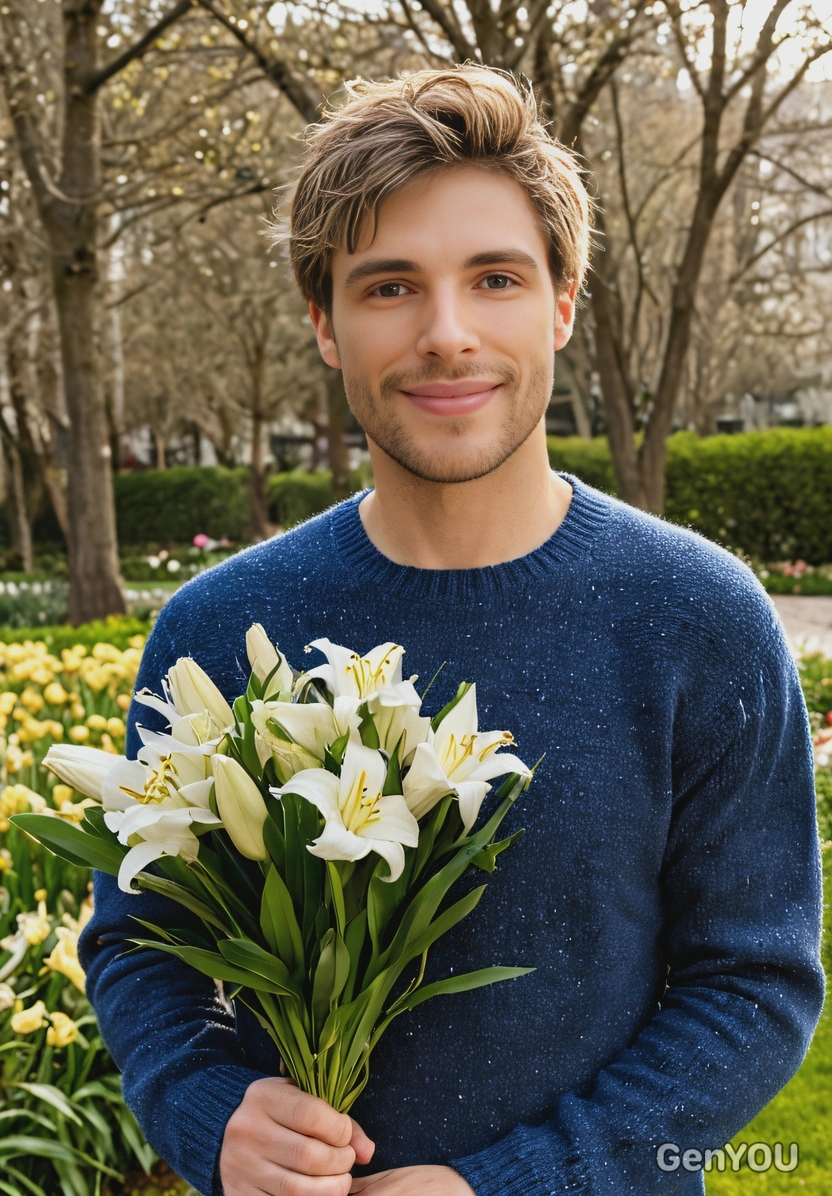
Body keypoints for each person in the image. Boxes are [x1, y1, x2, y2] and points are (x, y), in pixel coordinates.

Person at [79, 66, 825, 1196]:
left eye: (494, 278)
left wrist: (514, 1183)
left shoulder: (697, 618)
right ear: (325, 324)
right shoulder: (220, 628)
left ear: (562, 303)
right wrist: (205, 1108)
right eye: (388, 288)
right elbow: (137, 944)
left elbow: (754, 983)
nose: (446, 333)